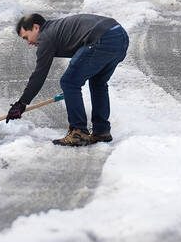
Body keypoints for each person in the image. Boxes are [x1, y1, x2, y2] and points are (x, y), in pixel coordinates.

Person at [8, 11, 128, 146]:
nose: (28, 42)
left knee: (69, 82)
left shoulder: (46, 36)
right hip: (120, 36)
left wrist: (22, 103)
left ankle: (79, 132)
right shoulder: (56, 29)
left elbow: (39, 74)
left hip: (101, 38)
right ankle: (101, 131)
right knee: (98, 82)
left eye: (26, 37)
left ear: (36, 27)